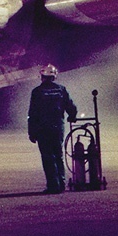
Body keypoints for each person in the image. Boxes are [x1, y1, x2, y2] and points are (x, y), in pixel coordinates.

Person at [28, 64, 77, 194]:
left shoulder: (37, 92)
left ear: (42, 76)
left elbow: (32, 114)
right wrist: (72, 117)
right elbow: (71, 107)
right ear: (54, 76)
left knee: (47, 157)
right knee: (58, 156)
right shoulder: (61, 90)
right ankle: (61, 184)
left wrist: (31, 132)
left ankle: (53, 185)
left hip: (43, 129)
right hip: (57, 128)